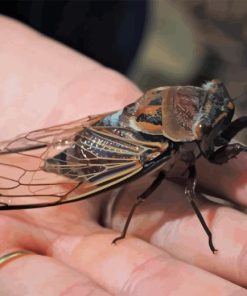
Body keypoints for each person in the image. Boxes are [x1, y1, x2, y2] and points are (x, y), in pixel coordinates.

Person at [0, 16, 247, 295]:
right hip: (101, 156)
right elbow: (153, 197)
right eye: (202, 129)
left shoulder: (178, 105)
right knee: (155, 195)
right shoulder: (163, 146)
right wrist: (208, 237)